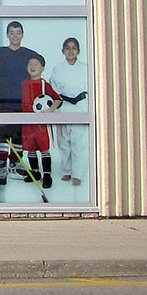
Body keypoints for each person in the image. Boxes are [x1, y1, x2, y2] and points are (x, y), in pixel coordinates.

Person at [0, 21, 40, 185]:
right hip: (3, 100)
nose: (15, 36)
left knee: (19, 134)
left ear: (22, 35)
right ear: (7, 34)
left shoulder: (29, 55)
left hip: (22, 100)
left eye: (18, 32)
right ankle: (1, 166)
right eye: (12, 32)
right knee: (2, 134)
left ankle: (15, 162)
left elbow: (38, 69)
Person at [49, 37, 90, 187]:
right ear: (63, 51)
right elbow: (54, 90)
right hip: (64, 105)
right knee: (63, 141)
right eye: (67, 48)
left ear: (78, 51)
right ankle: (67, 170)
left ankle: (78, 174)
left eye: (74, 48)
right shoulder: (57, 69)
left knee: (79, 142)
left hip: (80, 105)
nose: (70, 51)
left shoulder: (86, 68)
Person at [21, 54, 62, 188]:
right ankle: (35, 172)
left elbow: (57, 99)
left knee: (44, 149)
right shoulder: (24, 83)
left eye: (36, 64)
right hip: (27, 122)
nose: (32, 66)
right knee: (30, 149)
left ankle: (47, 175)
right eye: (30, 64)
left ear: (42, 68)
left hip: (40, 125)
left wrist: (51, 109)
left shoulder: (44, 84)